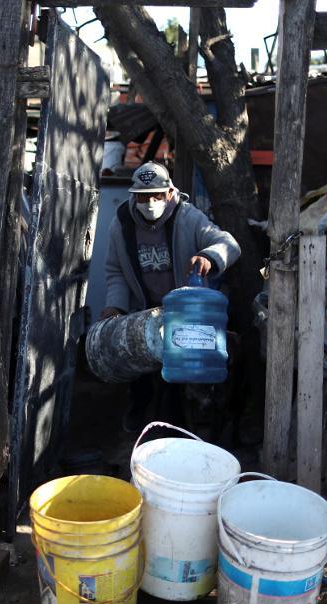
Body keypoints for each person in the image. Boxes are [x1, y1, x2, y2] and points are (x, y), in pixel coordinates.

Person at [100, 161, 241, 431]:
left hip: (184, 313)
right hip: (144, 311)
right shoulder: (122, 224)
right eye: (143, 197)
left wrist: (209, 256)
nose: (150, 203)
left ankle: (180, 424)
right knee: (138, 367)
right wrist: (115, 306)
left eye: (156, 196)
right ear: (134, 196)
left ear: (169, 192)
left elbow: (229, 244)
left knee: (180, 377)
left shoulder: (188, 217)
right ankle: (139, 413)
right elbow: (115, 271)